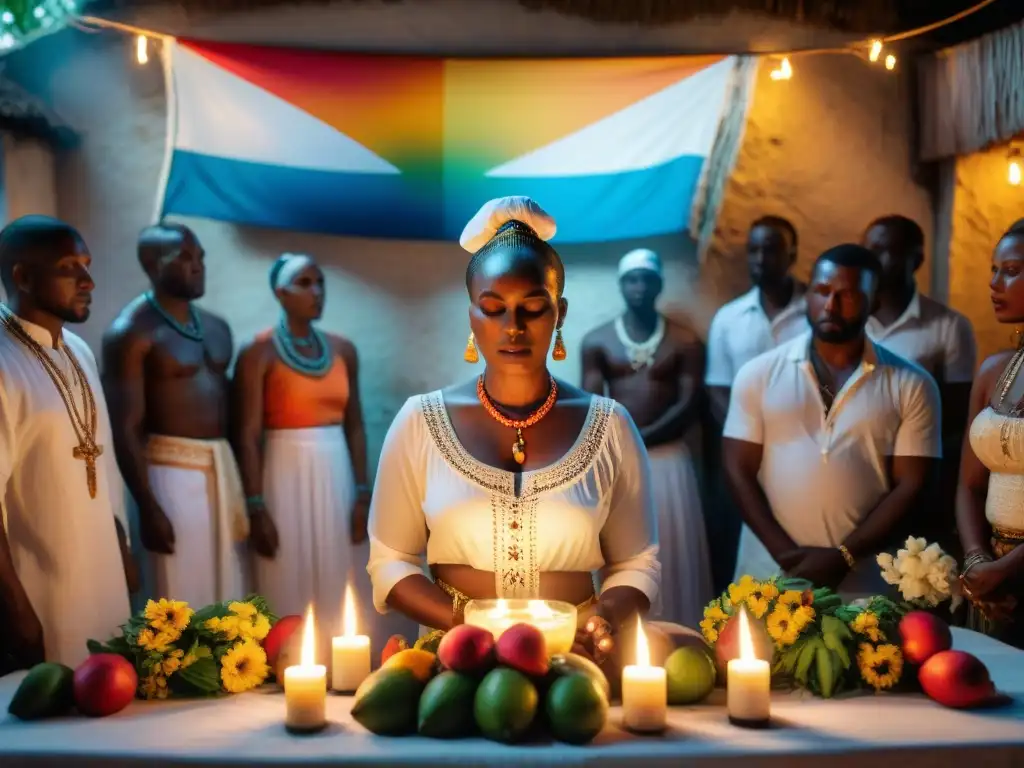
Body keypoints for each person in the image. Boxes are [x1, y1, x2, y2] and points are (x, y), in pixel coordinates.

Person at [366, 196, 660, 664]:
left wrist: (601, 617)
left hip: (577, 658)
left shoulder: (610, 426)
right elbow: (390, 561)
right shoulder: (419, 422)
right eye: (493, 307)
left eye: (533, 307)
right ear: (471, 317)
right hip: (455, 657)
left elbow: (637, 563)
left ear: (559, 313)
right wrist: (475, 630)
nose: (513, 327)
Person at [723, 244, 941, 598]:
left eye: (848, 295)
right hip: (768, 570)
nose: (831, 305)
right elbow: (737, 469)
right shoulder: (758, 374)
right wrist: (785, 556)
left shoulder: (911, 383)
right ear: (807, 294)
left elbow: (913, 486)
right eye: (821, 291)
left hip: (863, 580)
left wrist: (844, 557)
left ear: (874, 303)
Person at [103, 223, 270, 608]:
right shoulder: (132, 332)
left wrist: (253, 495)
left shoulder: (216, 327)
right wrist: (148, 505)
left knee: (230, 591)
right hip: (168, 472)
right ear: (150, 264)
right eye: (183, 257)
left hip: (221, 466)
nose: (197, 266)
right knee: (178, 592)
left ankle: (226, 668)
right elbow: (125, 426)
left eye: (200, 257)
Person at [0, 215, 133, 669]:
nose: (88, 281)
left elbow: (104, 461)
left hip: (101, 574)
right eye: (68, 267)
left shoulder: (79, 349)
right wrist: (16, 611)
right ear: (22, 276)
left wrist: (122, 549)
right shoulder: (3, 361)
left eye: (88, 265)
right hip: (40, 591)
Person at [233, 253, 370, 640]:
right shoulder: (257, 351)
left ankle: (340, 655)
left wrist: (362, 493)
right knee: (286, 564)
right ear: (281, 293)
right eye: (305, 283)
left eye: (321, 282)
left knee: (337, 562)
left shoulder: (343, 350)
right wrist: (256, 506)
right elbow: (247, 432)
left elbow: (355, 425)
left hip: (335, 469)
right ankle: (287, 655)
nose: (317, 291)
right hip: (282, 468)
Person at [581, 248, 710, 627]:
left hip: (669, 460)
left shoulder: (685, 341)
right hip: (617, 459)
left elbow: (688, 404)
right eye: (632, 279)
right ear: (622, 285)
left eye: (647, 279)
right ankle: (618, 628)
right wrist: (625, 443)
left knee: (670, 547)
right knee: (623, 546)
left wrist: (641, 437)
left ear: (658, 285)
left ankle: (679, 631)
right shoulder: (598, 340)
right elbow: (593, 404)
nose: (639, 287)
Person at [704, 216, 808, 588]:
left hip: (804, 452)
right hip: (745, 455)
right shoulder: (729, 318)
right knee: (737, 549)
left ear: (792, 253)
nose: (761, 258)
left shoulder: (815, 310)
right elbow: (717, 389)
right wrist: (750, 437)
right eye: (754, 250)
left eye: (772, 249)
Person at [862, 215, 977, 552]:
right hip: (855, 462)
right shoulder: (848, 320)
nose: (876, 259)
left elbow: (956, 412)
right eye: (869, 249)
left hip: (917, 470)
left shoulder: (948, 325)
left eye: (887, 251)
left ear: (918, 258)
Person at [957, 221, 1024, 649]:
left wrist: (1006, 570)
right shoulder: (994, 370)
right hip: (989, 578)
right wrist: (977, 560)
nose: (994, 283)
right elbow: (967, 485)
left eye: (1012, 270)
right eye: (994, 269)